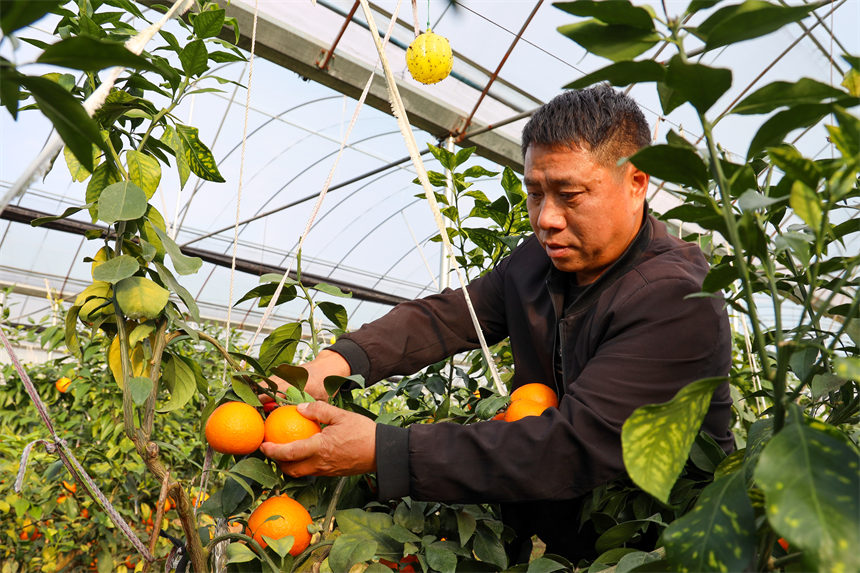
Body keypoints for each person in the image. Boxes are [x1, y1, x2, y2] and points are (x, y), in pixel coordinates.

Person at [260, 85, 734, 562]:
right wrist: (336, 363)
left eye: (569, 194)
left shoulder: (677, 297)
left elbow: (568, 447)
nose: (546, 218)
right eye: (534, 193)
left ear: (636, 183)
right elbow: (448, 317)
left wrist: (386, 451)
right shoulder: (538, 262)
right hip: (559, 536)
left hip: (656, 550)